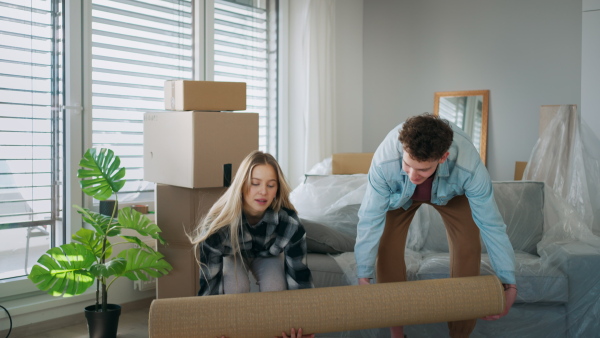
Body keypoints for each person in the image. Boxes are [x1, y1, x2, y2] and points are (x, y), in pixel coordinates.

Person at [354, 113, 517, 338]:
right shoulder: (384, 161)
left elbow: (492, 224)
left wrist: (509, 281)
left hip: (453, 194)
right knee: (386, 246)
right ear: (402, 150)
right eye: (408, 165)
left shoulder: (469, 166)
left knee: (469, 248)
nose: (412, 175)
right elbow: (370, 218)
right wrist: (363, 275)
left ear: (443, 157)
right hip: (399, 197)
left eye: (422, 170)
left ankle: (459, 335)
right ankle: (397, 334)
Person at [190, 150, 314, 338]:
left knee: (275, 286)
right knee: (236, 288)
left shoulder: (289, 224)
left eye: (270, 185)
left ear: (277, 190)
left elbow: (300, 279)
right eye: (255, 183)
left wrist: (302, 325)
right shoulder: (217, 225)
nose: (263, 191)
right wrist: (209, 327)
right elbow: (209, 284)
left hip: (267, 255)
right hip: (233, 254)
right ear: (241, 185)